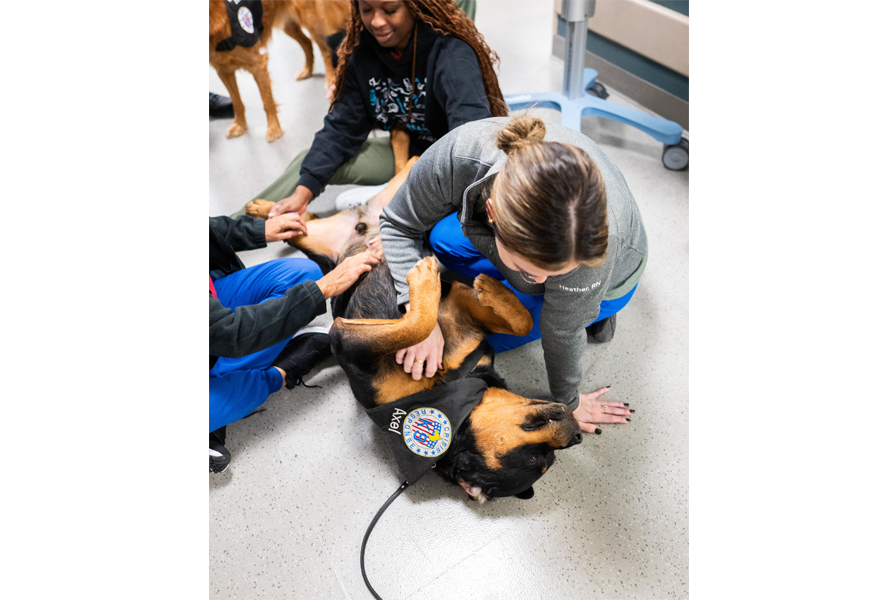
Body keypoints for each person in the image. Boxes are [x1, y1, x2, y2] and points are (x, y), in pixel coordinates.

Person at [379, 116, 645, 434]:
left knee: (466, 341)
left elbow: (563, 332)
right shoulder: (459, 155)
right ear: (492, 213)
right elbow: (397, 223)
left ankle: (596, 312)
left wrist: (569, 402)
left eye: (554, 272)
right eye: (532, 270)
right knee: (441, 241)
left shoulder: (593, 243)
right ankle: (539, 287)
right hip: (528, 249)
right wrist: (421, 314)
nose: (543, 281)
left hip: (607, 281)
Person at [262, 0, 506, 220]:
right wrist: (303, 192)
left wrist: (406, 207)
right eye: (366, 9)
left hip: (450, 165)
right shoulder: (361, 52)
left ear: (414, 6)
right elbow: (341, 129)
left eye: (390, 10)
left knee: (445, 231)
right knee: (308, 166)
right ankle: (248, 226)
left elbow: (470, 144)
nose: (376, 21)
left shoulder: (451, 53)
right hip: (407, 151)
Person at [209, 213, 382, 473]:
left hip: (214, 311)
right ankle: (281, 371)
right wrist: (324, 289)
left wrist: (257, 229)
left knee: (303, 275)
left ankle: (223, 394)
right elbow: (229, 333)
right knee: (235, 374)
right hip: (220, 330)